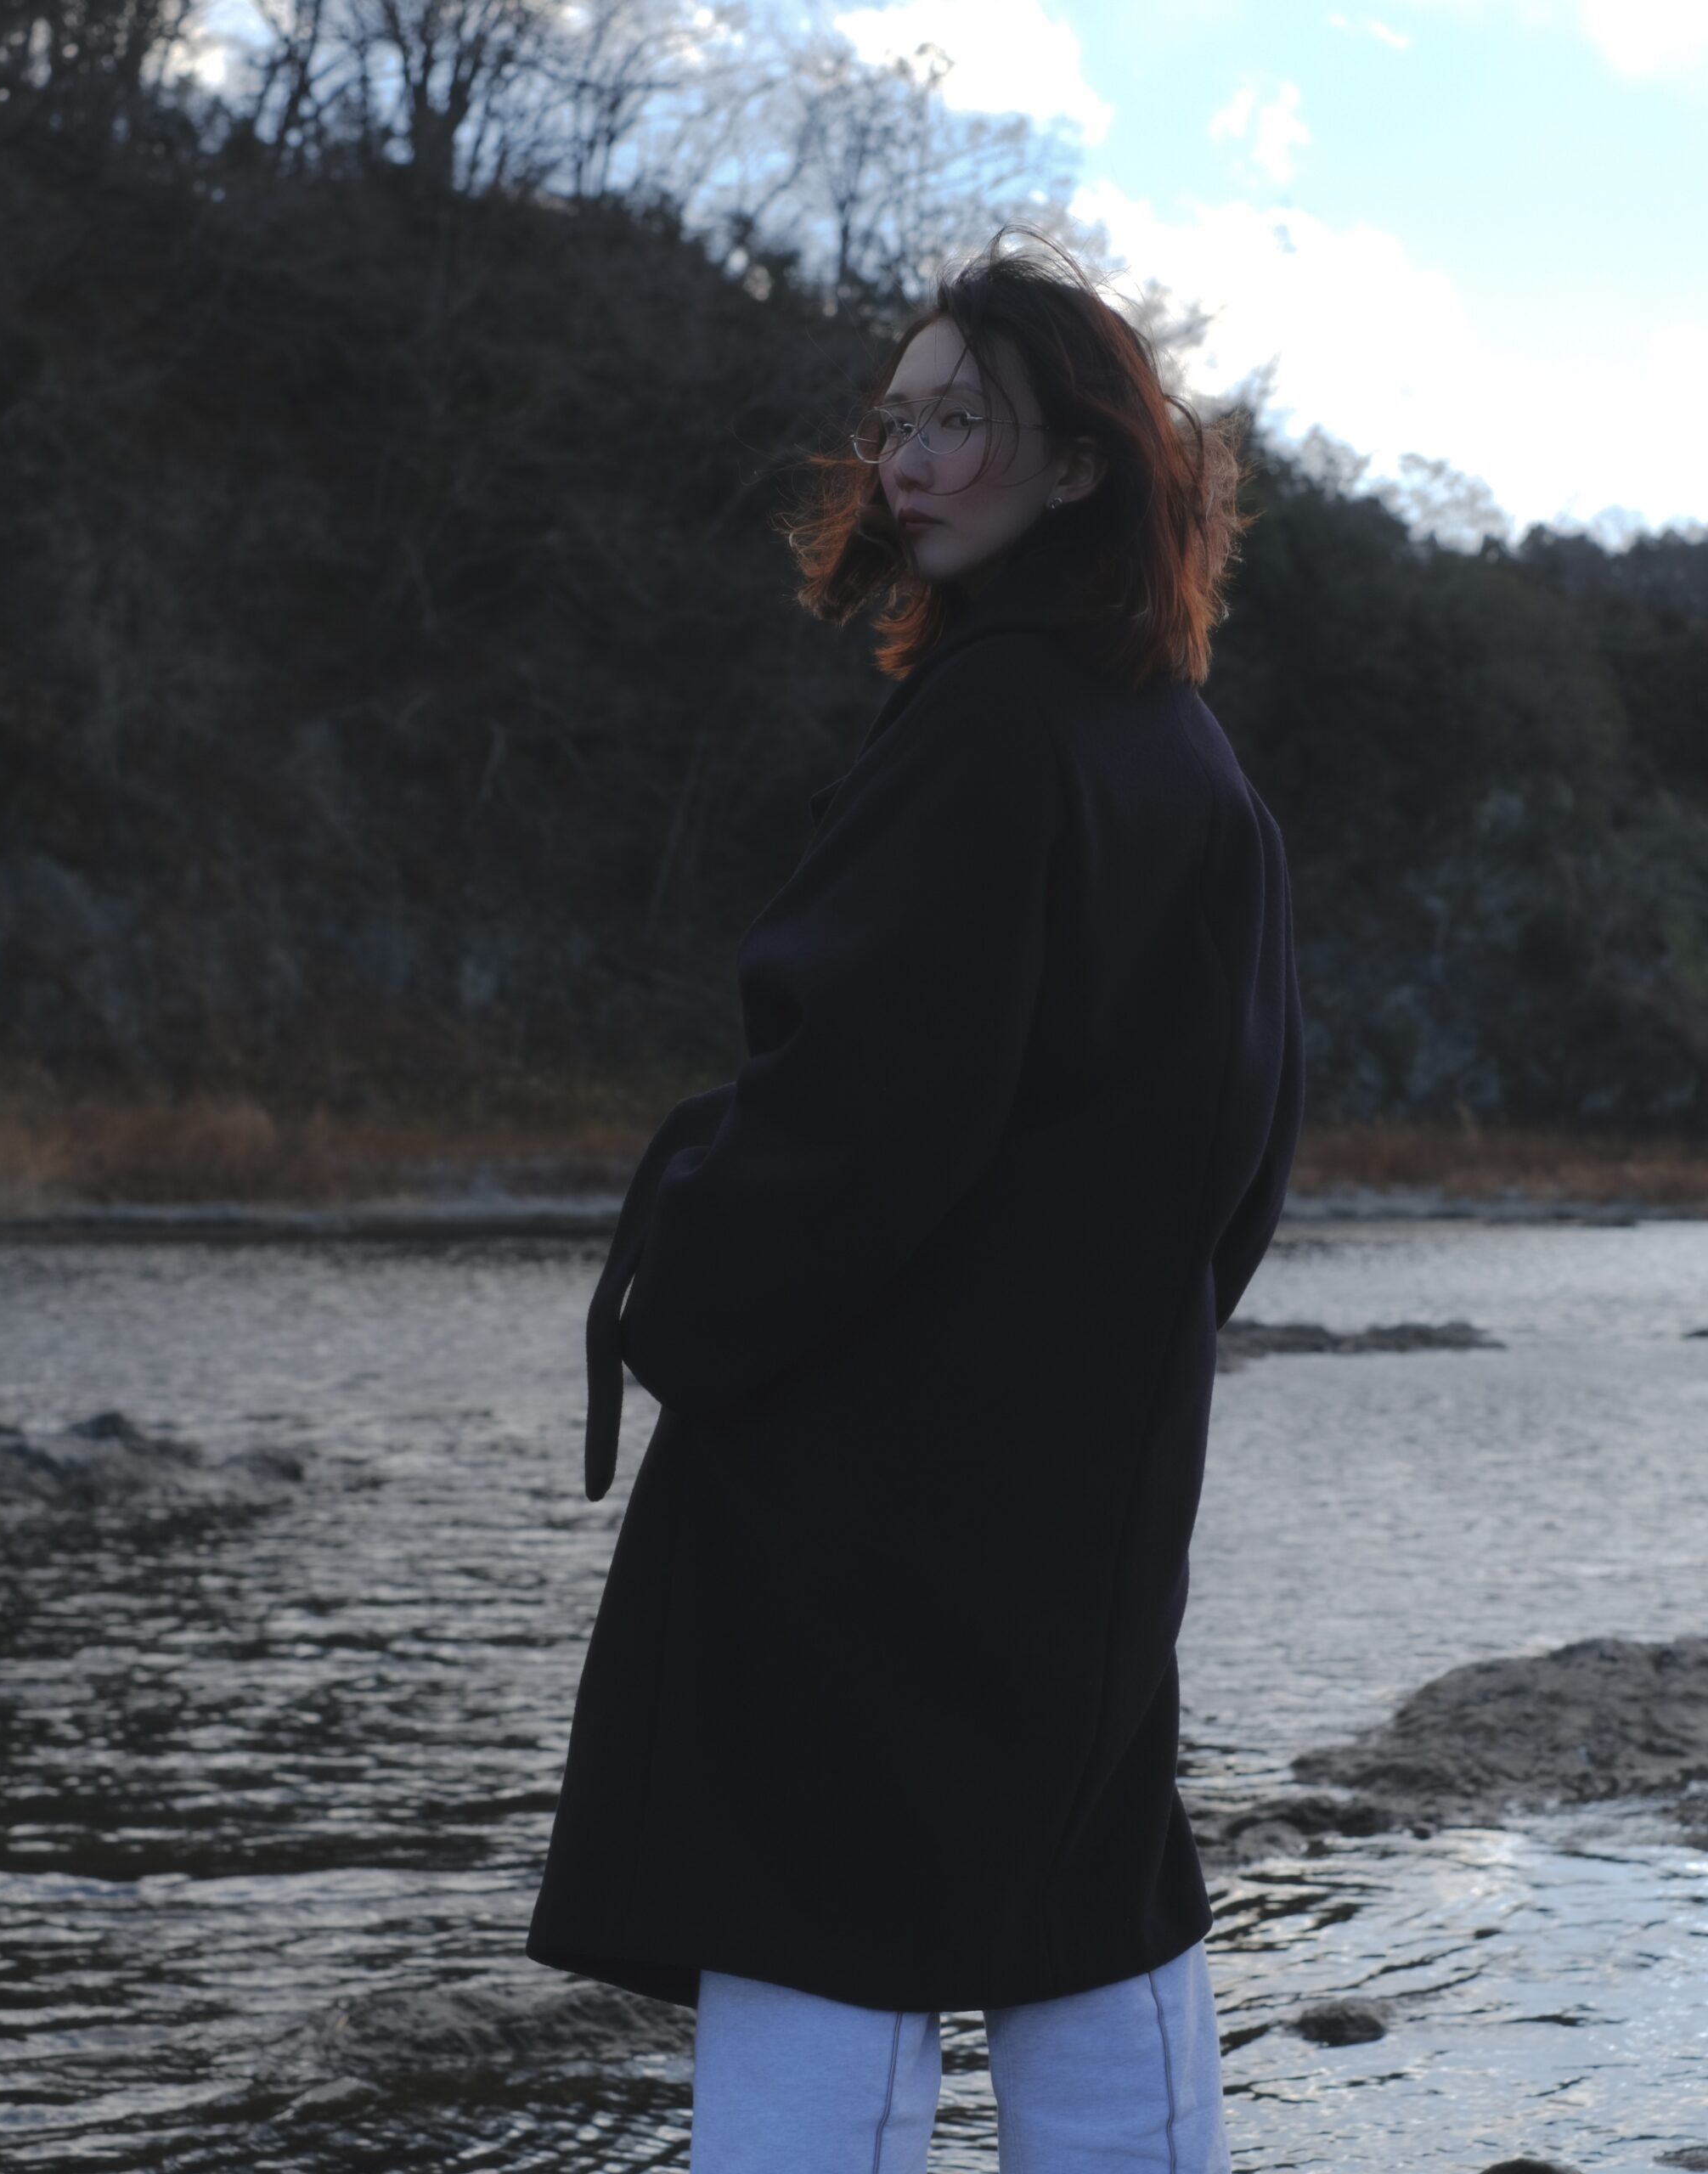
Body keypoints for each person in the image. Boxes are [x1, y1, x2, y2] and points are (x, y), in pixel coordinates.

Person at [525, 224, 1305, 2172]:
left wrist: (682, 1296)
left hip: (869, 1470)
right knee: (1082, 1890)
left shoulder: (990, 722)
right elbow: (1245, 1155)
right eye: (895, 421)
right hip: (1091, 1470)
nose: (908, 460)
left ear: (1080, 463)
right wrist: (1109, 1357)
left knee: (816, 1889)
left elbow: (855, 1112)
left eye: (964, 420)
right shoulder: (1187, 749)